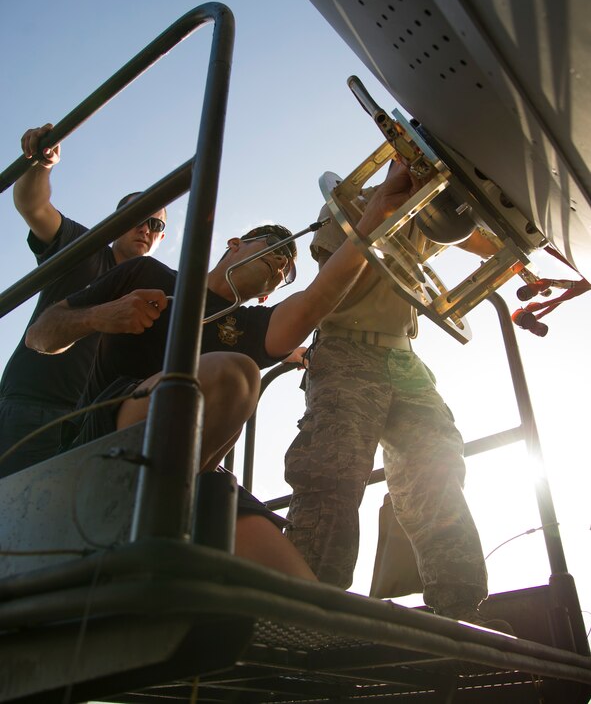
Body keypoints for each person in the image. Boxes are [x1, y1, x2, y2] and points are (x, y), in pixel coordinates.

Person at [24, 161, 416, 578]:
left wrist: (379, 215)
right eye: (272, 249)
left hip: (199, 474)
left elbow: (318, 298)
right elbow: (41, 335)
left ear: (268, 298)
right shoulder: (145, 272)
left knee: (300, 590)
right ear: (233, 245)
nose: (281, 265)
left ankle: (175, 522)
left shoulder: (250, 329)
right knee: (235, 375)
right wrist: (102, 316)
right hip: (101, 437)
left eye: (286, 268)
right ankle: (165, 527)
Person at [284, 176, 502, 626]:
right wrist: (388, 206)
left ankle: (460, 608)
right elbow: (336, 265)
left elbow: (478, 238)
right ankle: (309, 612)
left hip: (402, 358)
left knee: (435, 468)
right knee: (333, 471)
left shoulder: (434, 213)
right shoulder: (348, 204)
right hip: (346, 349)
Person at [0, 123, 166, 477]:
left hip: (91, 429)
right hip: (30, 409)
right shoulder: (84, 246)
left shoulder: (156, 290)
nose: (146, 228)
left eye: (156, 225)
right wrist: (41, 166)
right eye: (139, 216)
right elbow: (33, 205)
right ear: (116, 221)